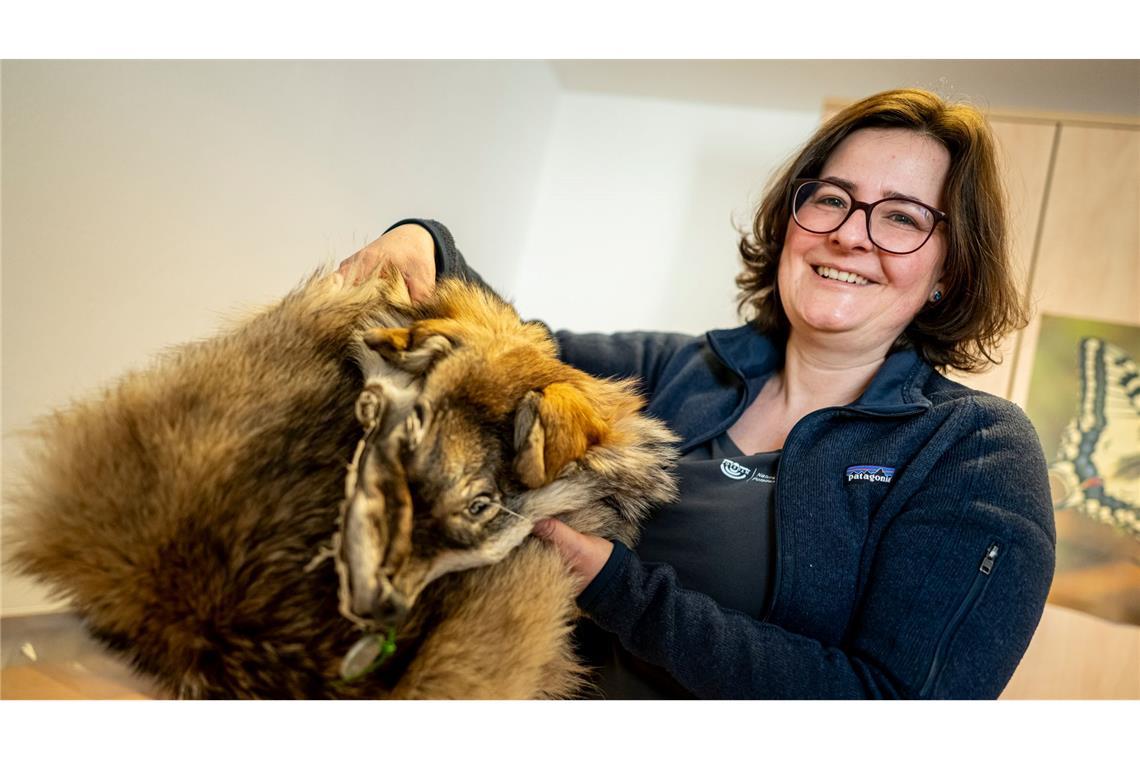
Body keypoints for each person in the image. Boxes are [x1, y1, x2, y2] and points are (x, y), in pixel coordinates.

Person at [338, 88, 1056, 699]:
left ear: (948, 273)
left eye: (901, 216)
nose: (848, 234)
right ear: (790, 225)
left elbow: (892, 707)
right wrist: (427, 240)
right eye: (831, 199)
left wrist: (617, 587)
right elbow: (509, 348)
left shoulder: (971, 447)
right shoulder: (680, 368)